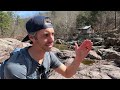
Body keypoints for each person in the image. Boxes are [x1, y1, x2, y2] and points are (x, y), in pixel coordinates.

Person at [0, 15, 93, 79]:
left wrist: (78, 59)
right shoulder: (16, 67)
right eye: (46, 35)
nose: (52, 39)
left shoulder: (48, 55)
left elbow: (67, 73)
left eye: (52, 34)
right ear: (32, 37)